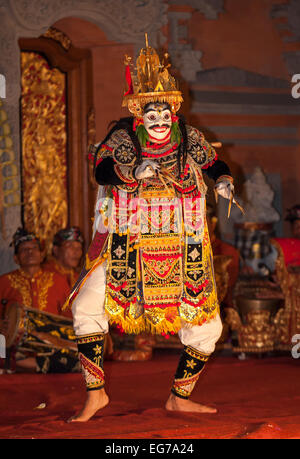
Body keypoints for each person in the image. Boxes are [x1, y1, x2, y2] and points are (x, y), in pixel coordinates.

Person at [67, 37, 238, 422]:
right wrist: (131, 172)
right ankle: (96, 394)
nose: (159, 122)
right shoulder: (125, 138)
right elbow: (102, 168)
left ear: (174, 113)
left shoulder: (187, 139)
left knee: (208, 325)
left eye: (165, 115)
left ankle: (179, 396)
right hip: (126, 240)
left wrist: (223, 180)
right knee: (86, 306)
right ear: (140, 116)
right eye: (151, 116)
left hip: (180, 244)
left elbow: (213, 164)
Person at [0, 228, 77, 373]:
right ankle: (32, 364)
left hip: (52, 347)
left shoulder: (58, 280)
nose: (30, 252)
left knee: (80, 350)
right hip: (15, 346)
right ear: (16, 258)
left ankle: (32, 364)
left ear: (42, 255)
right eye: (24, 249)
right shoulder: (4, 282)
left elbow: (70, 317)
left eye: (34, 248)